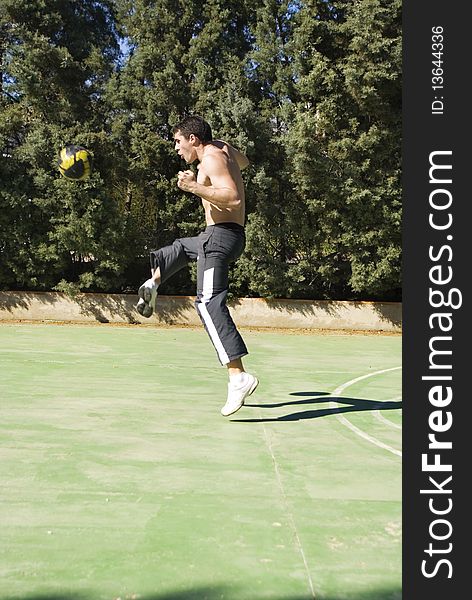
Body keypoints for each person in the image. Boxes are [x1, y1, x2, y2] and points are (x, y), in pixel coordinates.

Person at [135, 115, 258, 417]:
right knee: (178, 248)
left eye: (178, 141)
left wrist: (194, 187)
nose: (176, 148)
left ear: (193, 139)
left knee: (207, 303)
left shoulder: (213, 156)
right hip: (214, 236)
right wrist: (204, 172)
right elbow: (243, 162)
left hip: (220, 238)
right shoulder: (219, 152)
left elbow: (233, 199)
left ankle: (238, 376)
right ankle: (154, 283)